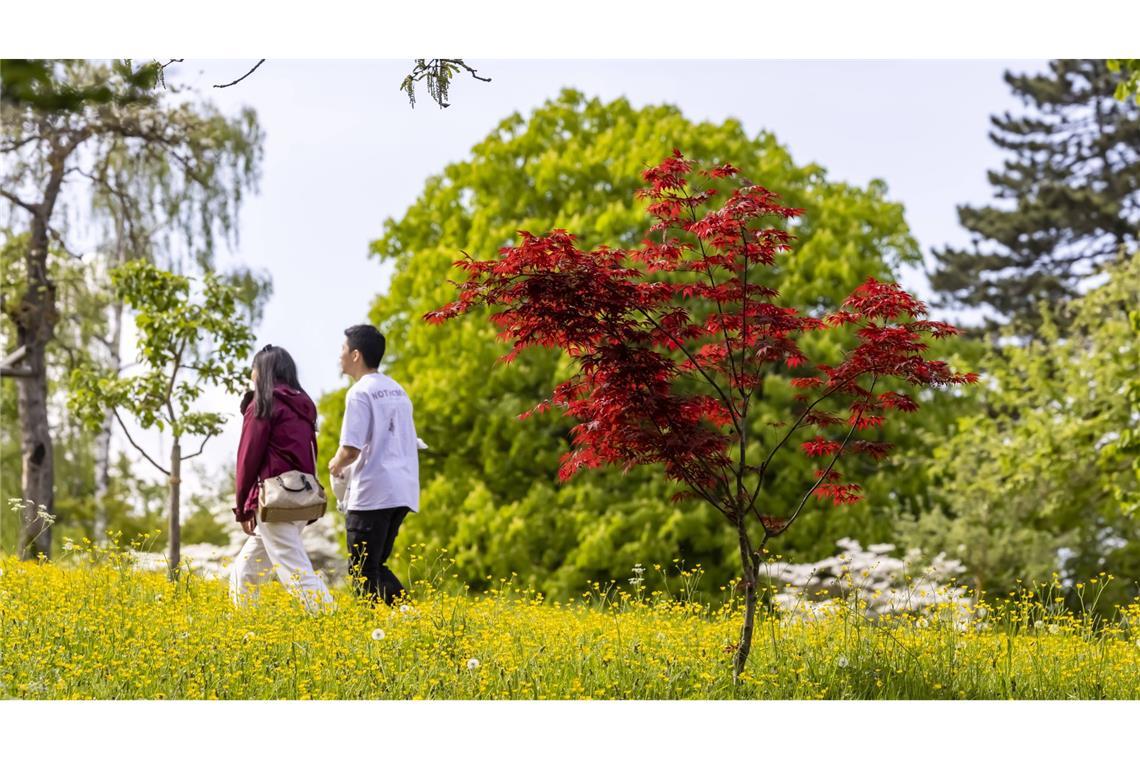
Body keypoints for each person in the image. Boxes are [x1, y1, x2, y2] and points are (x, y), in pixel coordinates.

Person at [230, 344, 335, 613]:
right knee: (247, 569)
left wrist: (242, 508)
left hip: (275, 501)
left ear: (262, 371)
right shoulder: (303, 407)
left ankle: (331, 621)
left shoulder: (263, 404)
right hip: (300, 499)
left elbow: (247, 459)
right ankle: (244, 627)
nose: (251, 374)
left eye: (253, 368)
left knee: (295, 570)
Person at [328, 324, 420, 605]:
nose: (339, 355)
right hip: (401, 490)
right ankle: (406, 623)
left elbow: (351, 448)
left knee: (363, 571)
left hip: (373, 492)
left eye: (343, 349)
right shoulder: (397, 390)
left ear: (356, 355)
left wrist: (335, 463)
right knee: (375, 565)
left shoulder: (359, 393)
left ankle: (401, 622)